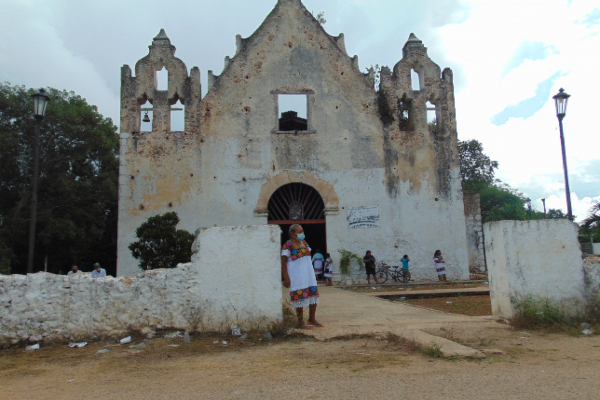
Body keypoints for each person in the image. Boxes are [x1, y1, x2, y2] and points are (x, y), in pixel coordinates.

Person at [281, 224, 323, 329]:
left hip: (308, 274)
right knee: (299, 296)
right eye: (299, 232)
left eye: (302, 231)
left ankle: (312, 319)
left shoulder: (304, 243)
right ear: (292, 233)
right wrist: (286, 277)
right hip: (297, 275)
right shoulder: (288, 245)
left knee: (313, 295)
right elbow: (283, 262)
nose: (302, 234)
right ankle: (300, 322)